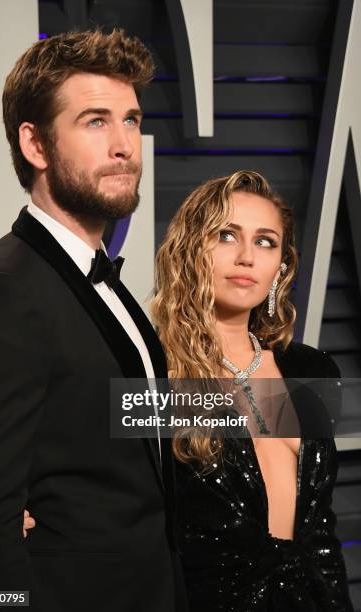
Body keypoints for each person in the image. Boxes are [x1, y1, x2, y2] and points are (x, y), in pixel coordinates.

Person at [0, 30, 187, 612]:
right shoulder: (6, 292)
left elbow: (121, 419)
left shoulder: (94, 275)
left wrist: (296, 400)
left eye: (131, 121)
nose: (124, 146)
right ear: (35, 144)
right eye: (95, 121)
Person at [150, 170, 353, 611]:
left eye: (265, 241)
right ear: (190, 250)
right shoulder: (157, 374)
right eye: (226, 235)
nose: (247, 257)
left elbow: (321, 531)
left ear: (281, 265)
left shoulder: (309, 369)